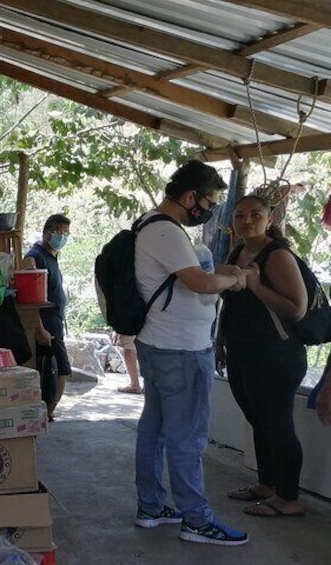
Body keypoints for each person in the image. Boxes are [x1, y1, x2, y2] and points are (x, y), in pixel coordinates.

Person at [132, 160, 253, 546]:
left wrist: (221, 268)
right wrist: (234, 279)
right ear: (190, 197)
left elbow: (185, 273)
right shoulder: (166, 231)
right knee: (187, 436)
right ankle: (196, 519)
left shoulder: (151, 225)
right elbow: (200, 284)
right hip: (180, 349)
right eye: (211, 201)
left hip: (159, 344)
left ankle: (152, 506)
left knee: (155, 428)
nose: (212, 208)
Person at [217, 194, 308, 518]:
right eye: (240, 215)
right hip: (244, 351)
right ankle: (267, 484)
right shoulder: (239, 250)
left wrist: (254, 284)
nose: (247, 221)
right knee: (258, 419)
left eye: (256, 215)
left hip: (277, 354)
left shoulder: (277, 255)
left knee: (277, 423)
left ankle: (288, 498)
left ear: (270, 219)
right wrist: (221, 344)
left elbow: (296, 308)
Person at [25, 214, 71, 421]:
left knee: (58, 367)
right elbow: (30, 300)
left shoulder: (52, 256)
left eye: (65, 233)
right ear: (46, 233)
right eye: (59, 232)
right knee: (57, 366)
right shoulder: (35, 257)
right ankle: (47, 409)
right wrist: (39, 328)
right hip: (46, 322)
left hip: (56, 320)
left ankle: (49, 410)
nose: (62, 236)